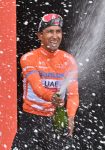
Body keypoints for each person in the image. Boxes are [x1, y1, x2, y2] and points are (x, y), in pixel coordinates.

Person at [11, 13, 79, 150]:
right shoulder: (28, 58)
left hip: (55, 120)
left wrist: (70, 116)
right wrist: (52, 97)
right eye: (49, 32)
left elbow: (73, 94)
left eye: (58, 31)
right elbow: (37, 88)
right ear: (40, 35)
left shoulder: (69, 60)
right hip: (30, 120)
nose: (55, 36)